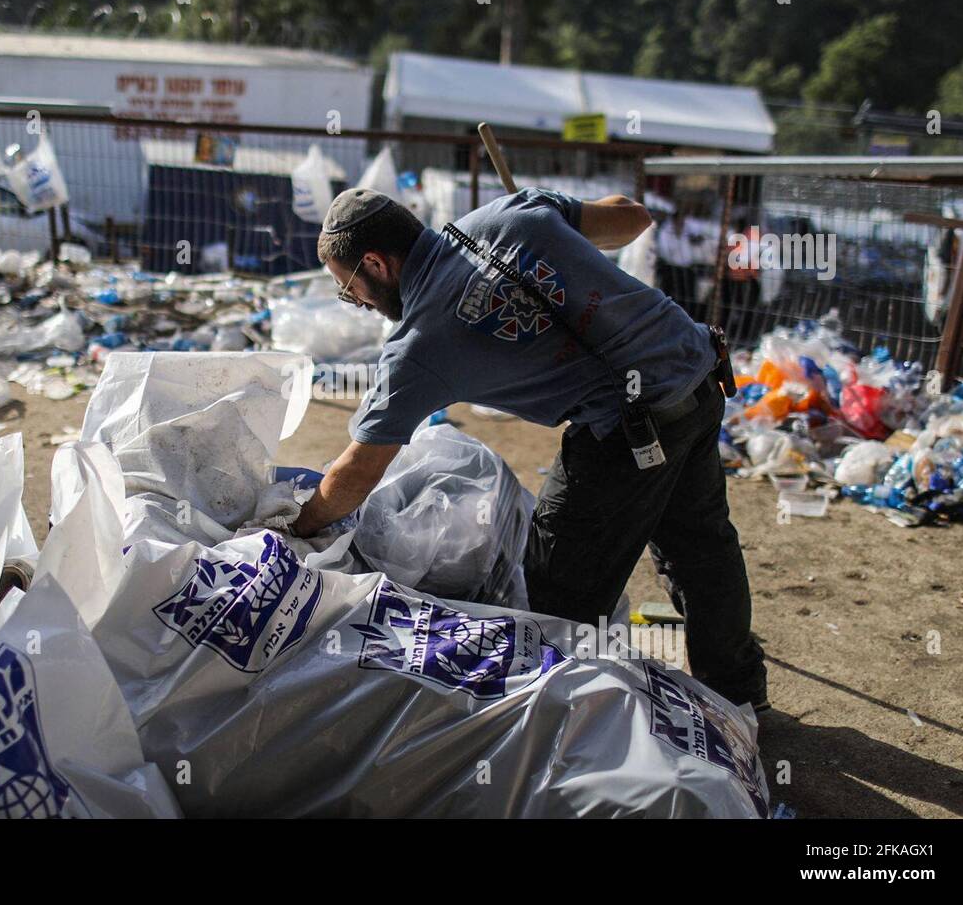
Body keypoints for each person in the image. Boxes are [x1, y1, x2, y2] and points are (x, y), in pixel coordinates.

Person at [292, 186, 768, 711]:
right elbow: (632, 217)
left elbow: (358, 471)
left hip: (631, 424)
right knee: (701, 547)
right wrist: (553, 235)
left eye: (349, 290)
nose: (358, 303)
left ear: (376, 264)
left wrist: (298, 526)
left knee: (558, 584)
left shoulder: (419, 343)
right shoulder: (510, 213)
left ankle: (571, 718)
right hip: (695, 371)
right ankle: (740, 694)